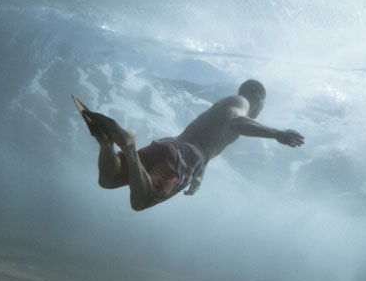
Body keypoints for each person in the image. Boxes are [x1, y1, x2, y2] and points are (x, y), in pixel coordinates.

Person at [74, 79, 304, 211]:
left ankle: (106, 144)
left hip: (171, 146)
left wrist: (200, 176)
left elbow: (207, 143)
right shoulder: (242, 102)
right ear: (259, 98)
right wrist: (276, 133)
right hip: (183, 158)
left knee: (108, 180)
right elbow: (235, 123)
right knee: (140, 201)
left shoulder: (222, 105)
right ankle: (129, 148)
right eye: (263, 103)